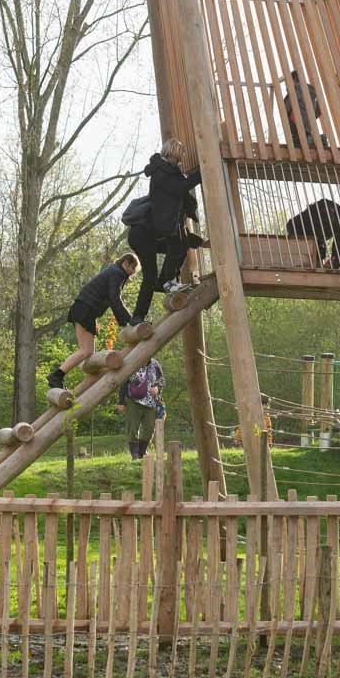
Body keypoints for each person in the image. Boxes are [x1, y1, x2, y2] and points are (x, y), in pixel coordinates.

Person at [128, 140, 205, 324]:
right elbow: (179, 188)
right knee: (150, 275)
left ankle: (166, 280)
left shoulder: (170, 172)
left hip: (154, 233)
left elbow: (180, 192)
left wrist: (197, 240)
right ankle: (138, 317)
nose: (180, 162)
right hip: (142, 235)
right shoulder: (161, 172)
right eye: (179, 159)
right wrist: (201, 172)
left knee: (181, 243)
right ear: (172, 156)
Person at [47, 253, 138, 391]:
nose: (132, 274)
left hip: (85, 309)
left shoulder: (114, 270)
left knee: (90, 354)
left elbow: (112, 299)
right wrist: (129, 320)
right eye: (133, 269)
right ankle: (56, 376)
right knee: (85, 351)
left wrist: (125, 321)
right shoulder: (117, 273)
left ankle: (78, 387)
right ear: (127, 263)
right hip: (85, 309)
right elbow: (115, 299)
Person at [285, 198, 340, 270]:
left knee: (320, 246)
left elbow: (339, 240)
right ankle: (329, 260)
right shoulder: (316, 219)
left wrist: (334, 260)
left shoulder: (336, 222)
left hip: (324, 215)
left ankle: (330, 260)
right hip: (314, 220)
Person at [119, 358, 165, 461]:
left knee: (149, 428)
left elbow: (162, 380)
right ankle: (134, 455)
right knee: (132, 428)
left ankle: (142, 452)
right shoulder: (131, 363)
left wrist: (158, 387)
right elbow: (123, 382)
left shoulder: (155, 364)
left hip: (151, 402)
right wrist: (121, 402)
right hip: (133, 401)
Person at [283, 69, 327, 151]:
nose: (287, 85)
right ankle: (317, 140)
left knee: (296, 140)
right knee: (303, 136)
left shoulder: (295, 89)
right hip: (309, 124)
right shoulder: (312, 92)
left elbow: (285, 107)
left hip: (297, 122)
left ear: (293, 80)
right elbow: (319, 109)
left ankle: (306, 141)